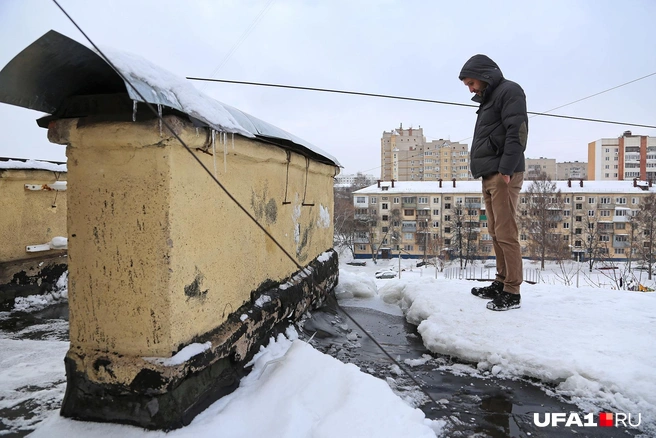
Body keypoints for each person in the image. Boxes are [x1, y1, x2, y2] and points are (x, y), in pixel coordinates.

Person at [459, 54, 528, 311]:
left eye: (471, 83)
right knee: (495, 232)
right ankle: (500, 282)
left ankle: (512, 291)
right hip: (490, 173)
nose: (470, 88)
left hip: (503, 173)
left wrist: (507, 168)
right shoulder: (489, 99)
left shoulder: (509, 91)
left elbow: (517, 130)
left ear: (483, 75)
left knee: (507, 234)